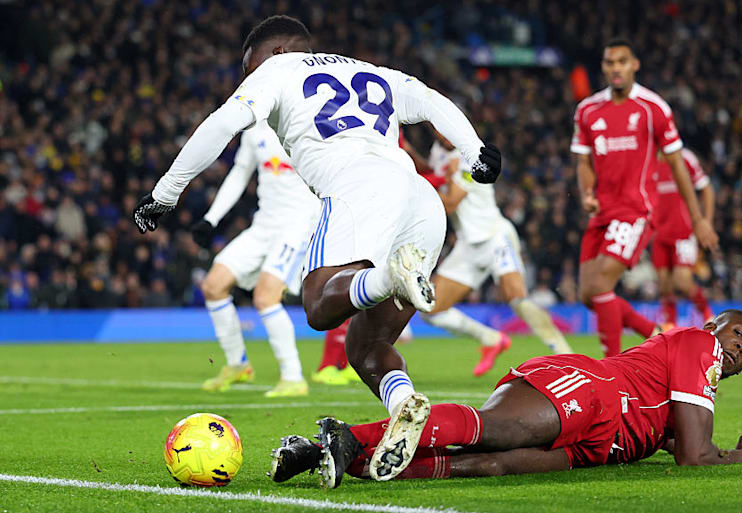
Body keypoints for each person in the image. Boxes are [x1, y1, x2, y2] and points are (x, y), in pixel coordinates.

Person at [131, 15, 501, 484]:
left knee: (319, 304)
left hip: (359, 186)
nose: (249, 81)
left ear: (276, 53)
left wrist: (165, 193)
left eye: (250, 70)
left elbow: (222, 122)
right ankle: (404, 404)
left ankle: (391, 275)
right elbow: (431, 100)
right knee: (367, 344)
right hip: (420, 199)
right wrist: (476, 152)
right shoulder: (376, 72)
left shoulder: (279, 70)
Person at [268, 310, 742, 488]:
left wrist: (723, 450)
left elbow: (692, 445)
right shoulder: (697, 346)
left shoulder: (698, 385)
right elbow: (693, 455)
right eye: (739, 331)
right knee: (497, 429)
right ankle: (347, 436)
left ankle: (329, 456)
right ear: (711, 326)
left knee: (489, 466)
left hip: (596, 445)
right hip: (594, 391)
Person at [572, 38, 719, 357]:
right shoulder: (587, 110)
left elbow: (679, 166)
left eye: (622, 62)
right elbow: (583, 160)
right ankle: (658, 337)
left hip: (635, 210)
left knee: (601, 287)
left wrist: (698, 219)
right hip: (601, 212)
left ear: (634, 65)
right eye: (610, 63)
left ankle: (609, 367)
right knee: (587, 294)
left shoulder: (653, 108)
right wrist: (587, 193)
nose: (616, 68)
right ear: (603, 67)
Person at [422, 131, 573, 377]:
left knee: (517, 299)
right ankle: (491, 339)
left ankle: (567, 356)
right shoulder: (438, 152)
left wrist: (417, 184)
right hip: (468, 245)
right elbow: (429, 168)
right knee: (430, 309)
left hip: (494, 237)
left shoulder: (471, 156)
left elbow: (449, 204)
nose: (447, 134)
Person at [190, 121, 318, 397]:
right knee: (213, 285)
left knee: (265, 297)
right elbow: (239, 172)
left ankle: (293, 377)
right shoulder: (255, 128)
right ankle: (238, 365)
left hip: (297, 225)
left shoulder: (305, 120)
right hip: (263, 225)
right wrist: (211, 219)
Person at [652, 148, 715, 327]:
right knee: (664, 285)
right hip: (659, 233)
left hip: (683, 232)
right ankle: (670, 325)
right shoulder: (648, 159)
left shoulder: (684, 157)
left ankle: (708, 315)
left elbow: (706, 188)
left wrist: (706, 222)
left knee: (683, 281)